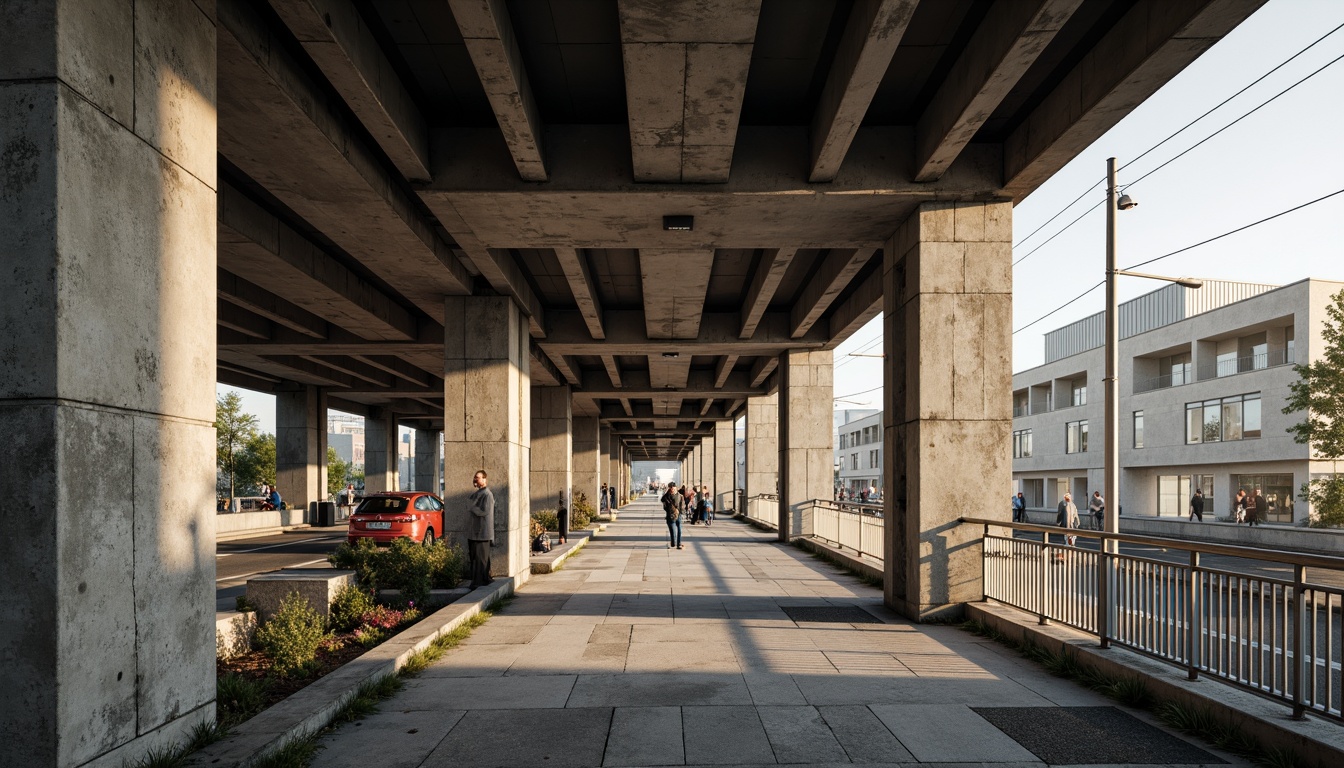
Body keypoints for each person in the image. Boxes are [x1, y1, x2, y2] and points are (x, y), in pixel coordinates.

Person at [468, 470, 495, 588]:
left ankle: (481, 581)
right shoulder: (477, 494)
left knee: (481, 558)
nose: (475, 480)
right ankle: (482, 579)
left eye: (478, 478)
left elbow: (485, 511)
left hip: (483, 533)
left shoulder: (487, 494)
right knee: (477, 557)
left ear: (484, 479)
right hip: (476, 532)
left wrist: (472, 507)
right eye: (475, 477)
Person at [662, 482, 685, 550]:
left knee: (679, 530)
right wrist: (670, 511)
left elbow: (682, 505)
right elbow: (664, 505)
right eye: (671, 489)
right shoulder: (667, 497)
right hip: (670, 516)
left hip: (679, 515)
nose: (672, 490)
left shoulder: (680, 496)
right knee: (673, 530)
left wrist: (680, 512)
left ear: (676, 488)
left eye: (674, 488)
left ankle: (679, 544)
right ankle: (673, 542)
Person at [1056, 492, 1079, 559]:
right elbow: (1060, 514)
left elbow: (1075, 514)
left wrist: (1077, 522)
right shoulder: (1063, 504)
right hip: (1067, 523)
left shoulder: (1072, 505)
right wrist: (1058, 521)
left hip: (1071, 523)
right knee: (1067, 536)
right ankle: (1069, 549)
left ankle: (1070, 548)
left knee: (1071, 536)